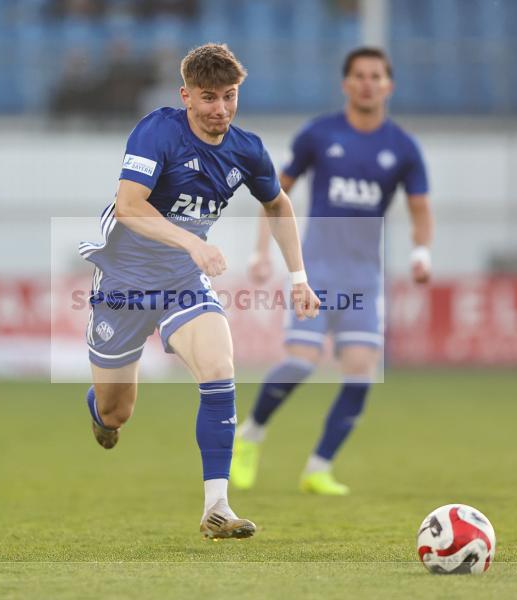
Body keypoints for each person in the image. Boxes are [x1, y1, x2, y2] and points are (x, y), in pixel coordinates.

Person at [78, 43, 320, 539]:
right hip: (123, 281)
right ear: (186, 96)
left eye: (230, 96)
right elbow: (129, 206)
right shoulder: (157, 131)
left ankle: (218, 507)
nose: (221, 110)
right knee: (116, 411)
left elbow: (277, 204)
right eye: (209, 97)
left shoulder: (246, 149)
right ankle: (99, 411)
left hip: (183, 281)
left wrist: (298, 277)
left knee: (219, 368)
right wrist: (192, 240)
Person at [230, 47, 434, 496]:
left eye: (375, 76)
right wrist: (262, 252)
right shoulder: (319, 135)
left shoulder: (402, 147)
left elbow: (420, 208)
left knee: (361, 373)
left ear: (388, 86)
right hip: (316, 272)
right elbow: (274, 193)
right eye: (359, 75)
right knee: (300, 364)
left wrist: (422, 252)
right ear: (346, 84)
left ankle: (318, 467)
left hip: (363, 280)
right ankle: (251, 435)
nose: (367, 83)